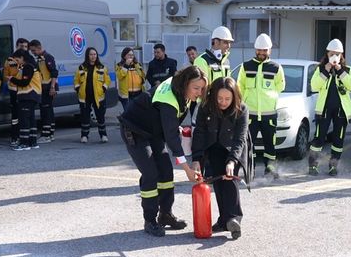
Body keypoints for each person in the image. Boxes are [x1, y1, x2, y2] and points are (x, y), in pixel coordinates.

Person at [118, 66, 204, 236]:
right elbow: (172, 139)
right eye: (196, 88)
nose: (199, 92)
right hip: (134, 130)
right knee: (151, 173)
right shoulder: (169, 99)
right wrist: (187, 169)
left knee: (165, 171)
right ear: (186, 83)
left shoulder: (181, 89)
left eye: (201, 88)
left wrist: (173, 126)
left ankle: (165, 215)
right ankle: (149, 220)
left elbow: (168, 124)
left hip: (153, 131)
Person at [191, 77, 251, 239]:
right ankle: (224, 220)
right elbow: (200, 133)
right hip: (214, 147)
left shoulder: (242, 109)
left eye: (227, 99)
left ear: (234, 98)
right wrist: (196, 158)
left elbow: (240, 138)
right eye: (219, 98)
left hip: (234, 149)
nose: (223, 102)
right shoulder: (205, 107)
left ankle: (234, 218)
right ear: (213, 96)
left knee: (230, 179)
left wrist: (232, 160)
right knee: (218, 182)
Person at [236, 33, 285, 178]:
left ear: (270, 50)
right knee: (248, 144)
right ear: (255, 49)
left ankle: (269, 169)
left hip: (269, 114)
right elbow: (240, 87)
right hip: (249, 114)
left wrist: (269, 98)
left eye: (264, 50)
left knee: (270, 144)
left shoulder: (276, 67)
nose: (261, 53)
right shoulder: (245, 66)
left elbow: (280, 86)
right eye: (259, 50)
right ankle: (248, 171)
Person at [308, 38, 351, 176]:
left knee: (338, 140)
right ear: (327, 54)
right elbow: (314, 86)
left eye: (337, 54)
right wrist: (326, 70)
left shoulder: (348, 69)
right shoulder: (321, 69)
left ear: (341, 55)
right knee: (319, 138)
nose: (334, 57)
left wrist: (340, 71)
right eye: (331, 54)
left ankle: (333, 166)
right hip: (324, 110)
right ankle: (313, 165)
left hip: (341, 111)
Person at [74, 47, 111, 143]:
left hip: (98, 96)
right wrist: (78, 89)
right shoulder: (81, 67)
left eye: (95, 54)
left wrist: (104, 88)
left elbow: (107, 80)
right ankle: (84, 136)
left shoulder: (101, 67)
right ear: (87, 55)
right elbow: (76, 80)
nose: (93, 56)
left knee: (100, 116)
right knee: (85, 117)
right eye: (91, 54)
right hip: (84, 97)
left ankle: (103, 135)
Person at [7, 49, 42, 150]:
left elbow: (24, 83)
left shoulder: (28, 67)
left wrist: (12, 79)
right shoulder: (31, 66)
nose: (17, 62)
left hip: (28, 95)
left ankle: (24, 143)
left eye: (17, 60)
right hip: (32, 95)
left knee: (24, 120)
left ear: (22, 58)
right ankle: (33, 142)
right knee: (31, 119)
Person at [28, 39, 58, 143]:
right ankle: (50, 133)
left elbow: (54, 72)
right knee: (48, 110)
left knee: (46, 111)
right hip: (43, 88)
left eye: (34, 50)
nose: (33, 52)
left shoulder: (47, 57)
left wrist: (52, 87)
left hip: (48, 88)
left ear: (39, 48)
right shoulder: (40, 58)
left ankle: (46, 134)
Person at [4, 38, 28, 145]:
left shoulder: (28, 60)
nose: (24, 49)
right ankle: (14, 136)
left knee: (25, 114)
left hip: (26, 90)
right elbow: (5, 76)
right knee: (15, 115)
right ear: (17, 46)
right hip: (14, 90)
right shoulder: (9, 60)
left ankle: (25, 136)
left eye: (25, 47)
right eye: (21, 46)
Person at [115, 47, 146, 112]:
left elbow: (143, 76)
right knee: (128, 112)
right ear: (124, 56)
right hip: (126, 94)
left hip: (138, 93)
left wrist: (142, 80)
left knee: (137, 112)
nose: (131, 56)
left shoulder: (137, 65)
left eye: (132, 55)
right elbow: (120, 76)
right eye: (129, 55)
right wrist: (126, 65)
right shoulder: (119, 65)